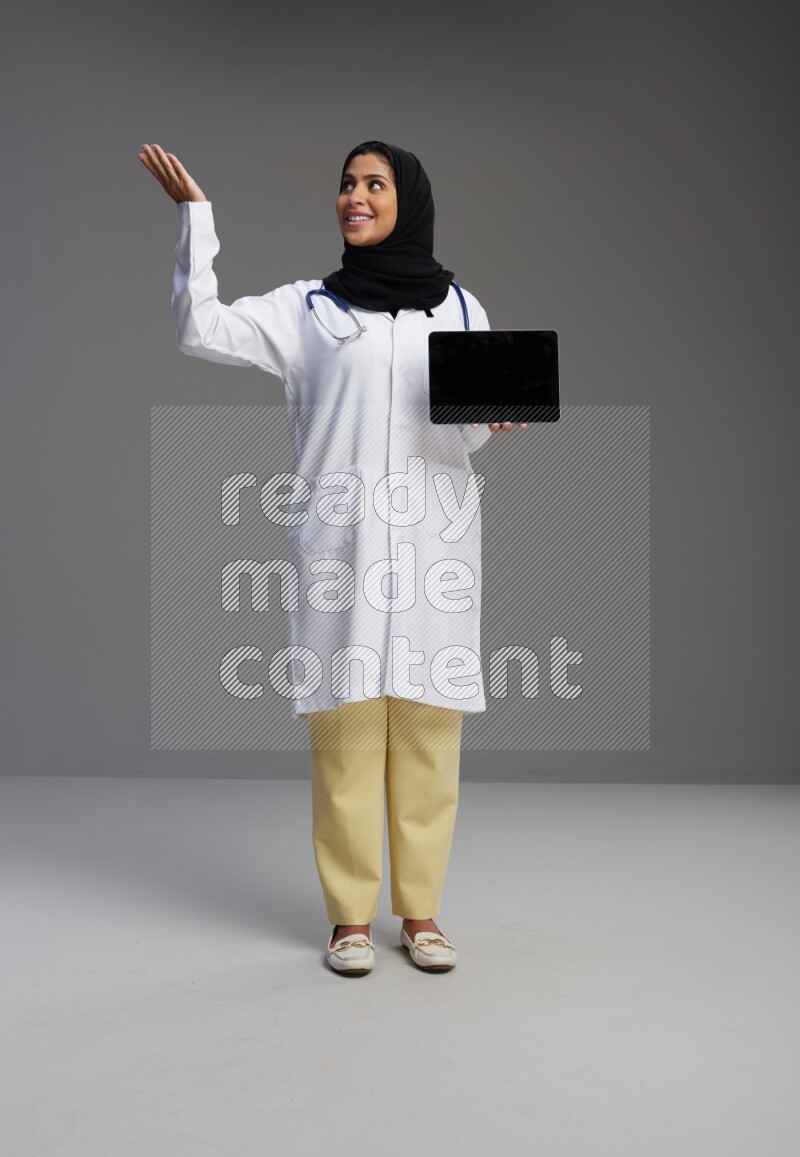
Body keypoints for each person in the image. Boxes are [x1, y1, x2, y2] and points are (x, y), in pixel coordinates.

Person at [139, 139, 526, 976]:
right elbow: (197, 327)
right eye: (347, 184)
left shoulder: (461, 310)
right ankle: (351, 918)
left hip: (433, 547)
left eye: (374, 184)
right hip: (340, 548)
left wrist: (491, 420)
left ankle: (420, 914)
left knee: (428, 729)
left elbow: (456, 435)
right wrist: (194, 218)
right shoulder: (308, 311)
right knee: (346, 731)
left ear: (408, 199)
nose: (355, 196)